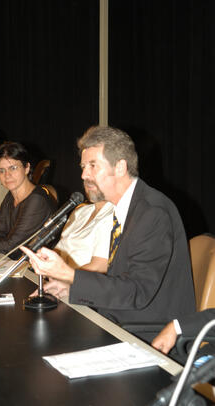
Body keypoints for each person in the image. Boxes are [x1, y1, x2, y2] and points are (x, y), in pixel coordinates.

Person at [21, 125, 195, 343]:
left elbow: (137, 292)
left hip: (148, 335)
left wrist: (71, 275)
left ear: (120, 167)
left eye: (93, 166)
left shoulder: (153, 213)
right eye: (83, 167)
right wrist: (70, 288)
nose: (84, 174)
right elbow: (120, 280)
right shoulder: (126, 207)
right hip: (118, 320)